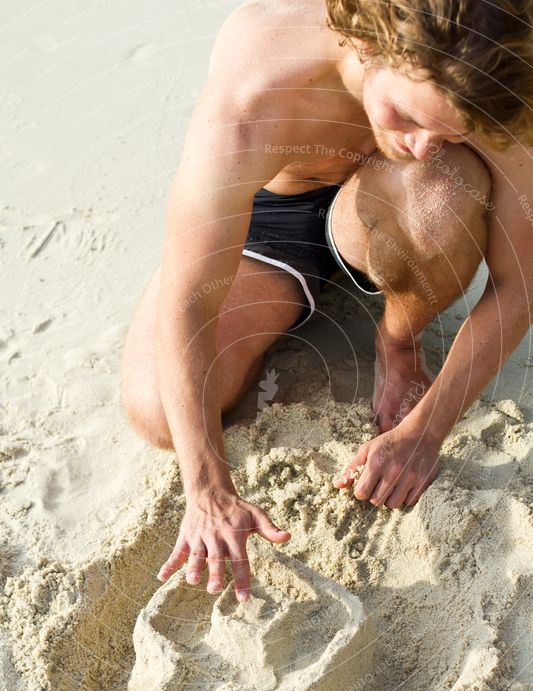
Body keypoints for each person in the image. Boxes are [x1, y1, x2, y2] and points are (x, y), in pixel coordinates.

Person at [121, 0, 533, 601]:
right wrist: (207, 488)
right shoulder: (257, 85)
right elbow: (190, 299)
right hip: (271, 213)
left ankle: (398, 336)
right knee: (160, 412)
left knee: (436, 187)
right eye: (408, 117)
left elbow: (519, 280)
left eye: (448, 132)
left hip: (413, 203)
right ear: (371, 43)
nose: (421, 142)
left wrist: (427, 430)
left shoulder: (495, 71)